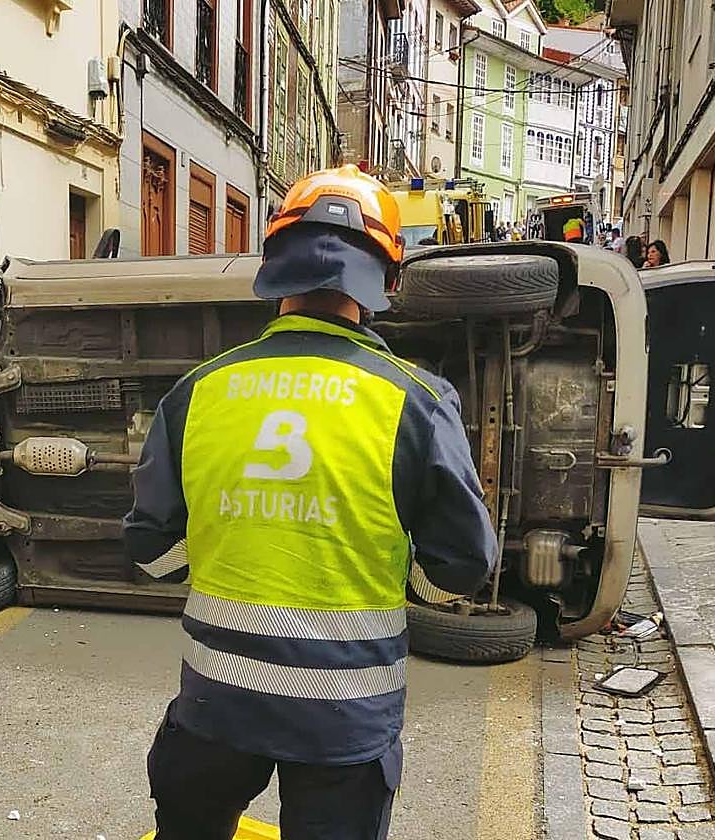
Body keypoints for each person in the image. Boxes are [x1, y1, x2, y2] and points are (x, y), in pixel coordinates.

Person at [124, 165, 497, 840]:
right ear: (385, 281)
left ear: (274, 269)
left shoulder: (197, 391)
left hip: (217, 704)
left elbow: (151, 551)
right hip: (344, 717)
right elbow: (459, 567)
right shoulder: (414, 400)